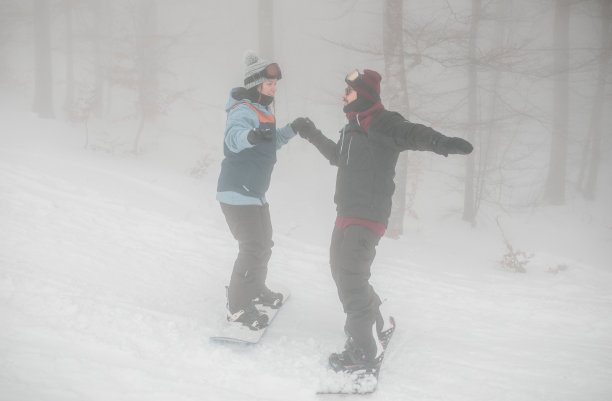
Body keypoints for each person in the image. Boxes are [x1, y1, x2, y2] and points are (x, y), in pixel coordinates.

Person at [291, 69, 473, 371]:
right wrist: (311, 133)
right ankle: (377, 323)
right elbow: (338, 156)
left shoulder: (384, 122)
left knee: (350, 281)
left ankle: (364, 351)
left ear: (362, 94)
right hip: (345, 212)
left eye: (348, 92)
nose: (343, 96)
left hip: (367, 215)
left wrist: (443, 143)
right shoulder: (352, 126)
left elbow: (414, 134)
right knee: (342, 275)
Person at [217, 51, 304, 330]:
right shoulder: (242, 110)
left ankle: (255, 288)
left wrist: (292, 129)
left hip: (254, 192)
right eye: (269, 85)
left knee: (264, 245)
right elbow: (233, 138)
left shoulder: (263, 111)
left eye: (275, 85)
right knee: (252, 247)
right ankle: (238, 307)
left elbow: (269, 142)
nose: (274, 89)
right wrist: (249, 136)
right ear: (256, 84)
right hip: (236, 192)